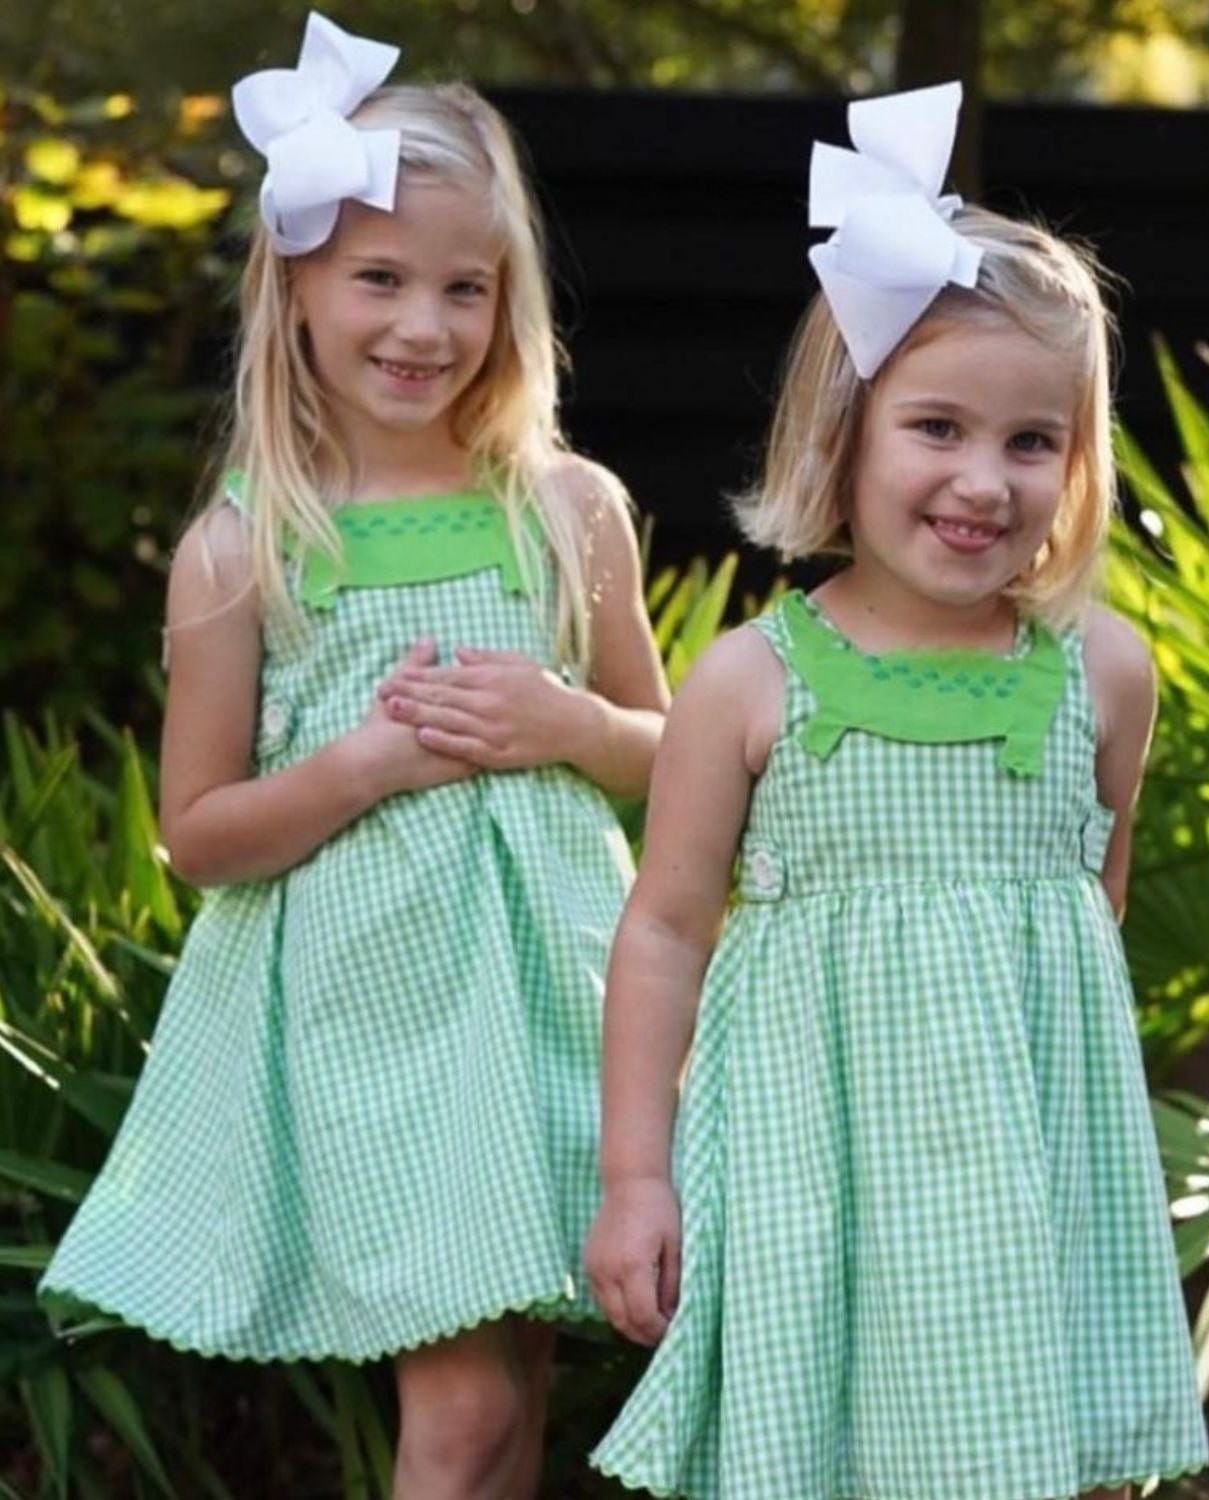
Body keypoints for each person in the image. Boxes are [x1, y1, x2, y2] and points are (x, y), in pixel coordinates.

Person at [39, 15, 669, 1497]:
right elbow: (195, 833)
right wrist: (366, 766)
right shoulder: (247, 547)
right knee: (457, 1414)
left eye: (465, 286)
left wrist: (573, 727)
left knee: (509, 1399)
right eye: (379, 279)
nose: (424, 325)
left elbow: (667, 758)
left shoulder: (568, 511)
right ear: (298, 288)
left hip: (549, 1007)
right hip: (378, 1029)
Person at [581, 84, 1209, 1497]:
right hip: (823, 1165)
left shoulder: (1105, 674)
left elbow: (1083, 919)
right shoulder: (747, 682)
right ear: (842, 435)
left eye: (1030, 444)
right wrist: (638, 1178)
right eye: (937, 429)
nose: (983, 482)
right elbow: (668, 928)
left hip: (1029, 1170)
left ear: (1075, 461)